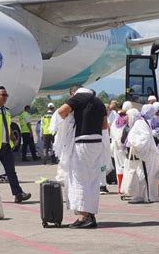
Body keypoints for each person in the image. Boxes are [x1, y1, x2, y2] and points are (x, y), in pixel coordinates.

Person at [57, 86, 108, 229]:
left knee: (79, 179)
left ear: (74, 92)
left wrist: (70, 122)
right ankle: (91, 214)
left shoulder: (78, 98)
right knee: (92, 180)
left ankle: (84, 216)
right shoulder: (99, 102)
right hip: (96, 143)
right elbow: (104, 126)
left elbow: (61, 112)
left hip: (82, 142)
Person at [123, 108, 159, 203]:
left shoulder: (139, 123)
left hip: (147, 155)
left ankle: (148, 197)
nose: (127, 119)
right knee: (140, 176)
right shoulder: (138, 123)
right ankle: (140, 195)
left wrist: (135, 144)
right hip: (143, 155)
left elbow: (145, 137)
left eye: (128, 117)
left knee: (146, 177)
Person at [110, 101, 133, 194]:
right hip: (125, 147)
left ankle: (120, 189)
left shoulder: (116, 120)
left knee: (119, 168)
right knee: (127, 167)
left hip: (116, 147)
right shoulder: (129, 120)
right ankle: (127, 188)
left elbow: (112, 133)